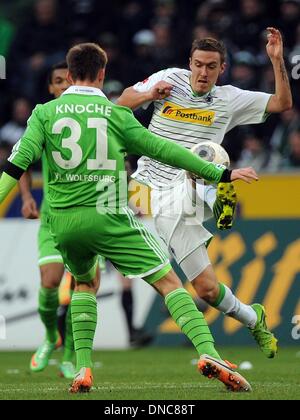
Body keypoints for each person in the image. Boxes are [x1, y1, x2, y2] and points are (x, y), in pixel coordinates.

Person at [0, 43, 258, 394]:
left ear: (70, 75)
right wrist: (220, 174)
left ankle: (83, 369)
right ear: (103, 74)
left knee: (84, 285)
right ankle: (209, 353)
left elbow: (14, 168)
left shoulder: (44, 113)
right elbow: (166, 150)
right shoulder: (114, 114)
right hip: (108, 214)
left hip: (62, 222)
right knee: (168, 283)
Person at [117, 27, 293, 358]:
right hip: (144, 185)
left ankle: (213, 195)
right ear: (189, 63)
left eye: (211, 66)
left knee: (207, 289)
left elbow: (283, 103)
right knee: (123, 243)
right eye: (198, 64)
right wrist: (151, 94)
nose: (203, 72)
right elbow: (122, 103)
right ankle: (252, 316)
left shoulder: (229, 99)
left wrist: (276, 60)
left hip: (181, 192)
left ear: (221, 69)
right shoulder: (170, 78)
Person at [19, 61, 100, 380]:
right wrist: (26, 197)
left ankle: (70, 355)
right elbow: (21, 160)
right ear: (51, 88)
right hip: (55, 216)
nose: (64, 85)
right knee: (50, 282)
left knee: (84, 286)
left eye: (69, 79)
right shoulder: (46, 117)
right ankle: (51, 336)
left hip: (93, 216)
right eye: (57, 81)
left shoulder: (96, 116)